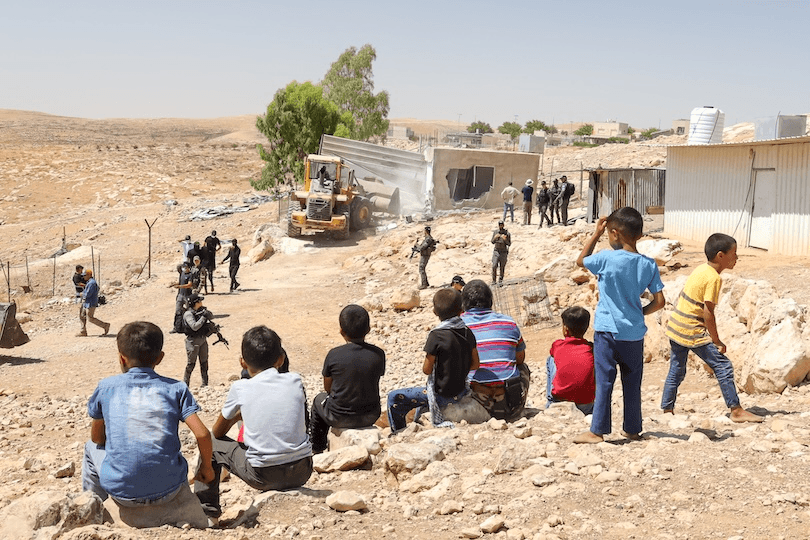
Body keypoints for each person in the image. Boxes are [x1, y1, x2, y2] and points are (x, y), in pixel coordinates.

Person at [82, 321, 213, 529]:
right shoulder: (176, 388)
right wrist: (207, 467)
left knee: (90, 448)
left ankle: (92, 508)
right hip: (169, 491)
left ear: (121, 358)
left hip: (123, 495)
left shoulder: (106, 387)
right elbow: (203, 435)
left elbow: (97, 439)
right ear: (160, 358)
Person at [194, 326, 313, 519]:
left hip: (263, 476)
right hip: (302, 470)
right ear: (280, 359)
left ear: (242, 362)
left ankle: (207, 508)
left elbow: (217, 433)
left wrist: (238, 416)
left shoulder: (240, 387)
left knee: (211, 444)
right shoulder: (295, 380)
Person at [574, 207, 665, 444]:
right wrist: (639, 312)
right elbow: (660, 302)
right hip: (634, 333)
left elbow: (580, 261)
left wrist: (595, 234)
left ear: (614, 233)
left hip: (607, 330)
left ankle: (598, 431)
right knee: (632, 382)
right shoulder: (648, 264)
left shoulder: (606, 258)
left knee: (604, 381)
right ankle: (633, 429)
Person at [662, 233, 763, 422]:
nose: (737, 258)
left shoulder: (701, 269)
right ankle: (736, 410)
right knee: (723, 365)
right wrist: (716, 340)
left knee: (676, 368)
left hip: (676, 326)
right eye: (734, 253)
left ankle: (667, 410)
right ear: (720, 255)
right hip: (691, 329)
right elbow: (708, 313)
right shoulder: (714, 279)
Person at [387, 289, 480, 432]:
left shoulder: (436, 336)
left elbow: (427, 370)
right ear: (461, 311)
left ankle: (397, 432)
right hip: (461, 391)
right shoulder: (468, 332)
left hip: (442, 396)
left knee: (394, 398)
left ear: (435, 312)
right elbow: (475, 364)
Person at [310, 305, 385, 454]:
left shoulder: (334, 355)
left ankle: (317, 448)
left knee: (318, 400)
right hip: (370, 415)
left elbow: (327, 388)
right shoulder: (378, 354)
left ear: (341, 331)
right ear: (368, 330)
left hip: (339, 416)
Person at [461, 280, 530, 421]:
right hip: (509, 401)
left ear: (464, 303)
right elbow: (520, 359)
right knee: (523, 368)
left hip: (474, 400)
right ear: (490, 301)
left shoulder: (458, 326)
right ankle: (511, 411)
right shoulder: (509, 322)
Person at [546, 306, 595, 415]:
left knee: (551, 359)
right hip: (586, 404)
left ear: (566, 329)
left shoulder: (558, 345)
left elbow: (553, 354)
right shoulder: (591, 348)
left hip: (561, 401)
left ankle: (550, 402)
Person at [183, 294, 212, 387]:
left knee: (204, 362)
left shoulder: (200, 311)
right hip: (193, 342)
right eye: (199, 301)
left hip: (202, 340)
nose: (201, 302)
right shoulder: (188, 314)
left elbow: (211, 317)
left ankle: (205, 383)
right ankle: (185, 384)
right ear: (195, 303)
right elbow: (194, 327)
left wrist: (207, 314)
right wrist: (203, 317)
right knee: (191, 364)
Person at [77, 269, 110, 337]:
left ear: (89, 275)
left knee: (90, 318)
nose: (84, 277)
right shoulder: (89, 282)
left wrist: (81, 294)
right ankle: (83, 331)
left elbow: (88, 294)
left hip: (90, 303)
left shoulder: (92, 283)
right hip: (86, 302)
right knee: (82, 316)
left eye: (85, 275)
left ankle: (105, 325)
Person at [171, 262, 193, 334]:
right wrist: (175, 284)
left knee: (190, 311)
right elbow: (180, 282)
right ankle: (176, 327)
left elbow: (189, 285)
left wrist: (180, 286)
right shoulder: (182, 274)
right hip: (180, 294)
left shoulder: (190, 275)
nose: (185, 269)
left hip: (187, 295)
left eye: (186, 267)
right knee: (177, 311)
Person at [417, 226, 438, 290]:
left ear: (426, 231)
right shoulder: (428, 238)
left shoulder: (428, 239)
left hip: (425, 255)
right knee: (422, 268)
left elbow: (423, 247)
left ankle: (424, 284)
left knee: (421, 268)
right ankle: (426, 283)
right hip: (425, 254)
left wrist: (417, 247)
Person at [491, 220, 511, 286]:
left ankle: (500, 280)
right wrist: (495, 238)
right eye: (499, 225)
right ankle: (494, 281)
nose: (501, 226)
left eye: (502, 224)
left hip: (503, 252)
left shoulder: (507, 233)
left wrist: (505, 240)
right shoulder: (495, 232)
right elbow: (492, 242)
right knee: (494, 265)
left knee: (502, 267)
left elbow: (509, 244)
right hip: (496, 251)